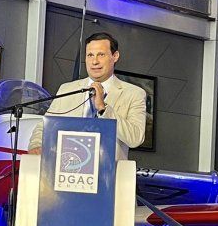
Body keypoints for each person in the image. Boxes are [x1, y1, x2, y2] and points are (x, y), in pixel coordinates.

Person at [27, 32, 146, 161]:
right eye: (90, 55)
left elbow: (136, 138)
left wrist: (103, 108)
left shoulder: (134, 93)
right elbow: (45, 126)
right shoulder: (67, 89)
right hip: (67, 168)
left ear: (115, 56)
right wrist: (37, 145)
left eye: (101, 55)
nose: (94, 61)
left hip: (108, 174)